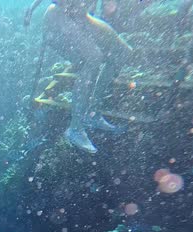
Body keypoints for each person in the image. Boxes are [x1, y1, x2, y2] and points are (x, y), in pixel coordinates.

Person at [24, 0, 127, 153]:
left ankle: (92, 112)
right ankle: (75, 128)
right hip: (59, 17)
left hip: (82, 18)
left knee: (122, 51)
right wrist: (31, 8)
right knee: (94, 57)